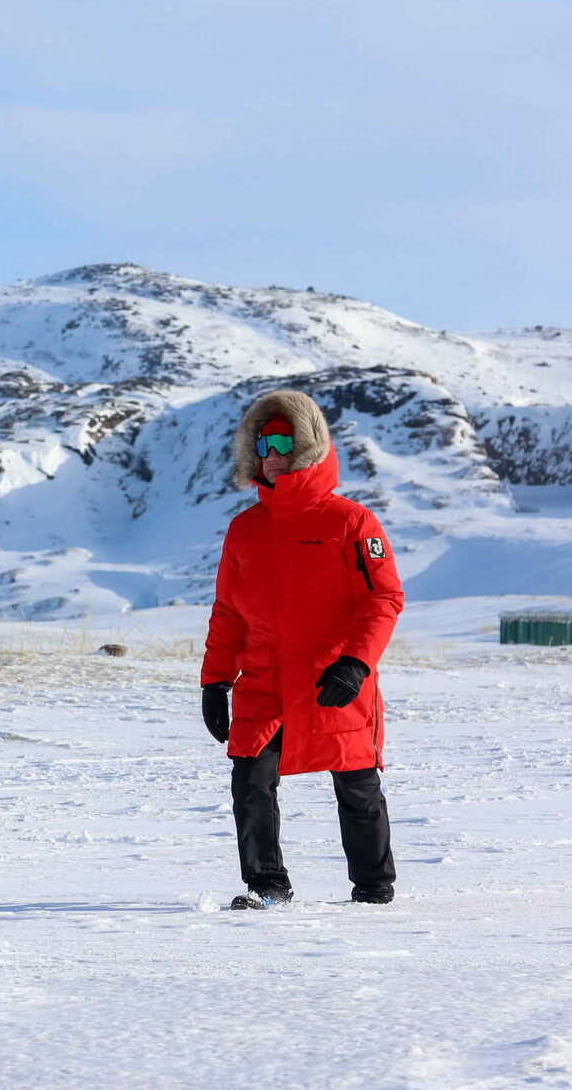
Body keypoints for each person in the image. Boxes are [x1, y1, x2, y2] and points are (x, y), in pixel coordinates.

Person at [199, 389, 404, 908]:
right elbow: (227, 613)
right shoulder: (243, 531)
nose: (271, 451)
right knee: (250, 781)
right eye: (262, 440)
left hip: (333, 674)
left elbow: (384, 596)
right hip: (264, 681)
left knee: (356, 785)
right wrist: (214, 681)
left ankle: (374, 889)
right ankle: (268, 886)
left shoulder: (351, 522)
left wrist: (356, 664)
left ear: (307, 447)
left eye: (284, 440)